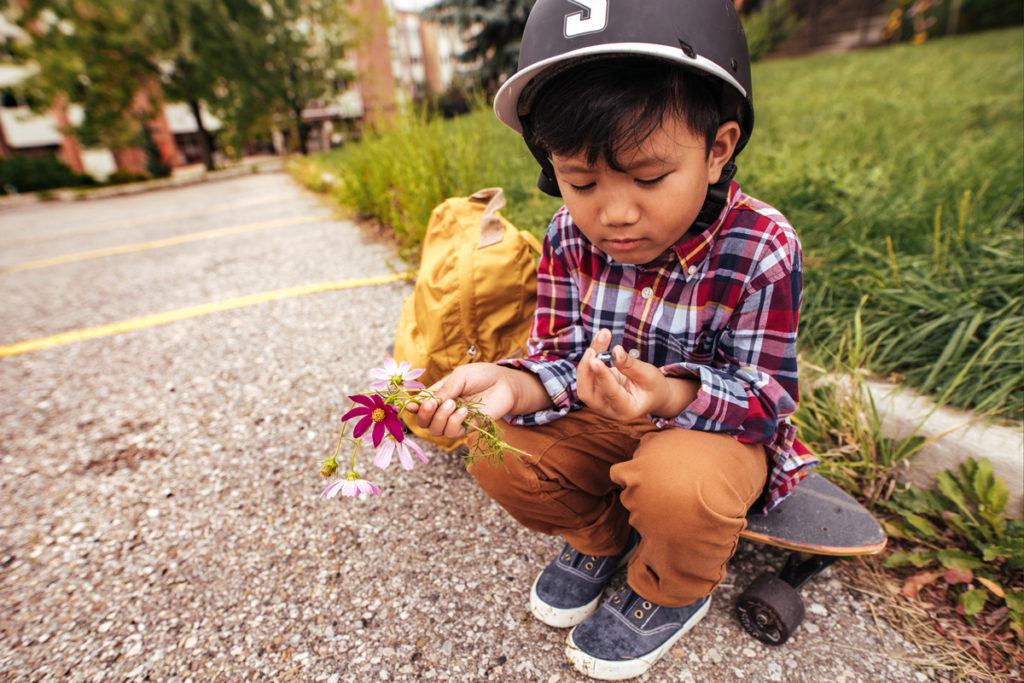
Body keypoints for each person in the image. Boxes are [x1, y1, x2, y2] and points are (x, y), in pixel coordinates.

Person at [408, 0, 817, 679]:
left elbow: (767, 398)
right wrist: (512, 384)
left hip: (709, 439)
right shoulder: (569, 235)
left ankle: (668, 584)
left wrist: (668, 391)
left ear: (718, 149)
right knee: (490, 439)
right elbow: (561, 357)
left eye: (650, 176)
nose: (616, 212)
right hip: (605, 423)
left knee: (676, 484)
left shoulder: (761, 247)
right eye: (581, 180)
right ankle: (603, 537)